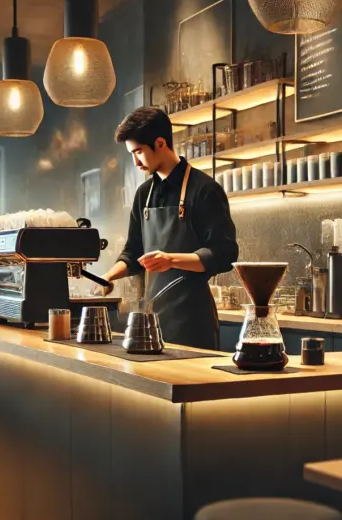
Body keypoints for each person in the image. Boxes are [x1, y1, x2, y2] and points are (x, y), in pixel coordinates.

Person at [96, 107, 238, 350]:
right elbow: (133, 253)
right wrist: (107, 277)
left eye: (139, 152)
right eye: (132, 153)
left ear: (160, 143)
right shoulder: (144, 194)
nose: (135, 161)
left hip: (192, 322)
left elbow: (225, 254)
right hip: (149, 320)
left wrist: (171, 260)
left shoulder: (204, 190)